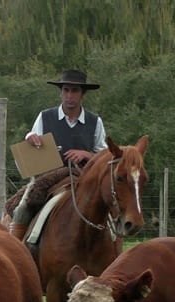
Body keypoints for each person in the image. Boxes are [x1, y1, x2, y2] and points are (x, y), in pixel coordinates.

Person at [11, 69, 107, 240]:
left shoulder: (95, 121)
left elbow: (105, 156)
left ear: (82, 94)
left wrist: (87, 154)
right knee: (23, 207)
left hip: (84, 178)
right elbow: (33, 141)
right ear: (61, 92)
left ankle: (113, 246)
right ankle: (16, 247)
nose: (69, 96)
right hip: (48, 179)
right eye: (66, 90)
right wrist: (30, 137)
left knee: (109, 206)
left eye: (75, 91)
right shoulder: (45, 117)